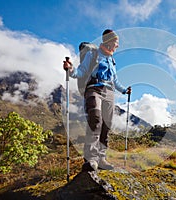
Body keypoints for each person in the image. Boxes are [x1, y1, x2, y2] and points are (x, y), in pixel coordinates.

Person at [63, 29, 131, 171]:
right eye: (116, 42)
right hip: (94, 89)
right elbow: (81, 71)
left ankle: (101, 158)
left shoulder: (112, 60)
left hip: (109, 93)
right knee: (95, 120)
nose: (117, 46)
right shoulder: (92, 54)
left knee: (107, 125)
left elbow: (115, 80)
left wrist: (124, 90)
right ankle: (91, 159)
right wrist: (70, 70)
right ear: (109, 41)